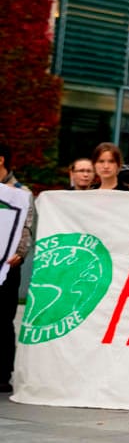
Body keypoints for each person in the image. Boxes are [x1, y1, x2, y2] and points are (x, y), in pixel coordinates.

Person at [0, 143, 36, 398]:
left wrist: (19, 254)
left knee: (2, 321)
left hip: (7, 266)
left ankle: (2, 375)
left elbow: (27, 229)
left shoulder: (21, 194)